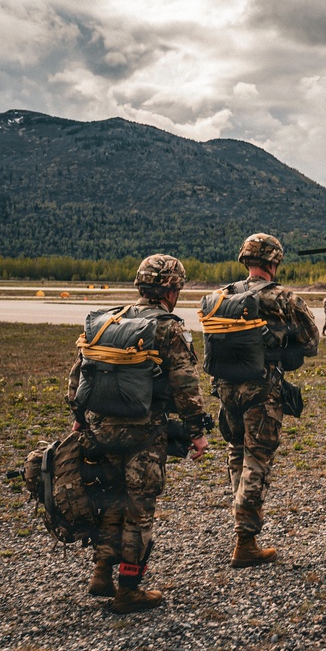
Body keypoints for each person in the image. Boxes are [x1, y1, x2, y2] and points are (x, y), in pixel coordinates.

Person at [67, 254, 209, 614]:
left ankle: (101, 572)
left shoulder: (106, 320)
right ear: (172, 289)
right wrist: (197, 432)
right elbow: (185, 385)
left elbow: (80, 373)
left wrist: (80, 417)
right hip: (143, 433)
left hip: (100, 428)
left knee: (110, 499)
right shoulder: (168, 327)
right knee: (139, 510)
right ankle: (129, 589)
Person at [210, 234, 319, 567]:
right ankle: (245, 540)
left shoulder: (222, 295)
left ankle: (243, 525)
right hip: (262, 389)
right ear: (274, 262)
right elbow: (312, 341)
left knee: (237, 453)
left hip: (226, 389)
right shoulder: (283, 297)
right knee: (257, 458)